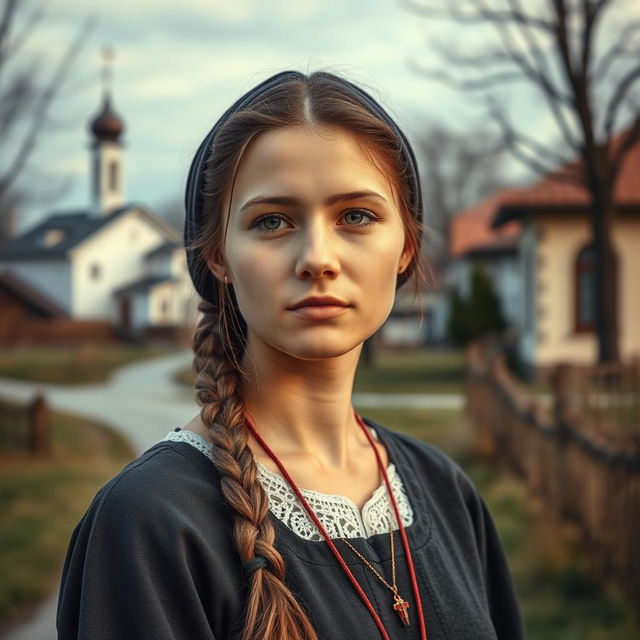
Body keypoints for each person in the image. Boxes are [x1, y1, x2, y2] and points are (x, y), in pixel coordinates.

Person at [56, 69, 525, 640]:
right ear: (218, 255)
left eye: (357, 216)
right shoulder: (151, 521)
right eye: (272, 221)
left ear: (407, 246)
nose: (317, 258)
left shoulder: (446, 493)